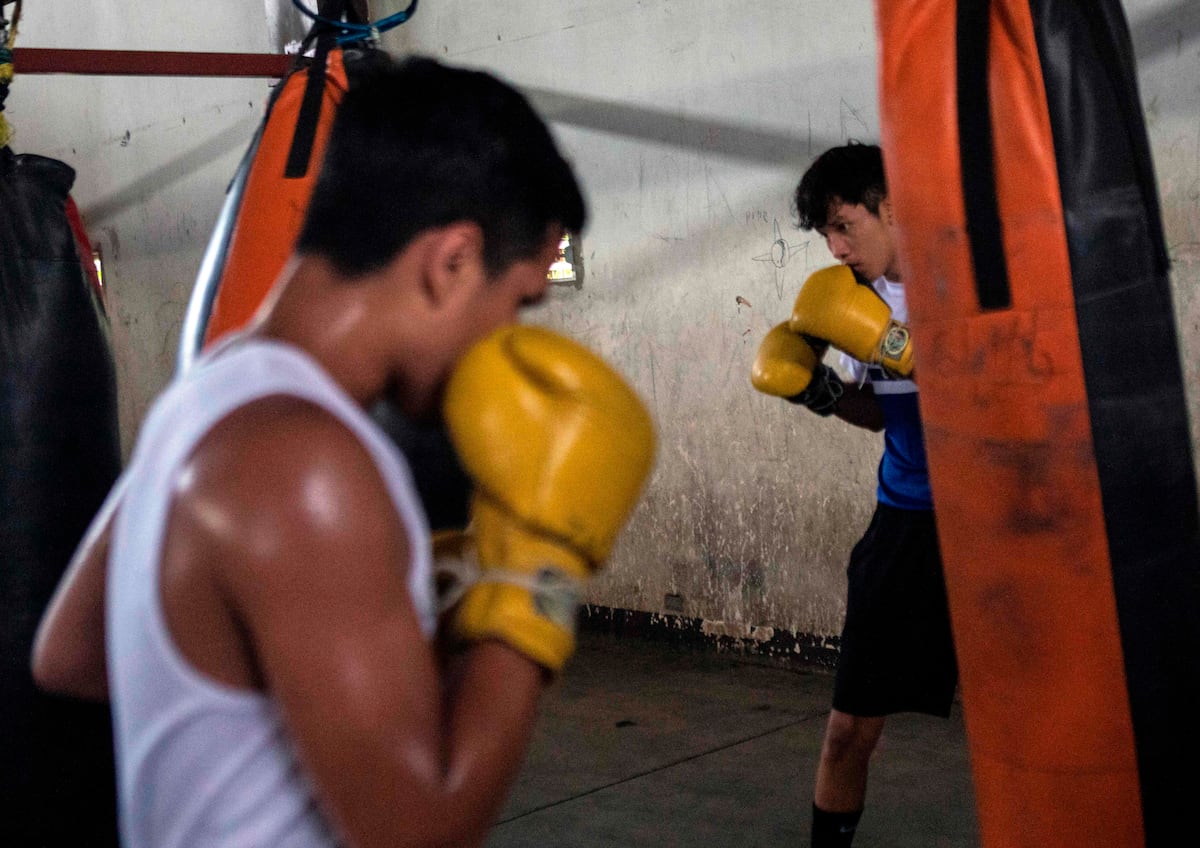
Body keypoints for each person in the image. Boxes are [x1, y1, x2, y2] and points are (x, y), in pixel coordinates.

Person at [31, 53, 655, 848]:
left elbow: (72, 654)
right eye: (516, 301)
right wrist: (540, 566)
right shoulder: (308, 467)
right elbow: (416, 834)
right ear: (453, 261)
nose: (510, 339)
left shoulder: (212, 390)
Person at [751, 141, 956, 847]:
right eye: (827, 234)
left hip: (997, 526)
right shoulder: (850, 302)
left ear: (890, 207)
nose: (837, 248)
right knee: (844, 733)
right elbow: (875, 411)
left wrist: (910, 349)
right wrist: (818, 390)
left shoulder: (968, 277)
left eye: (846, 226)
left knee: (1029, 732)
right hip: (905, 521)